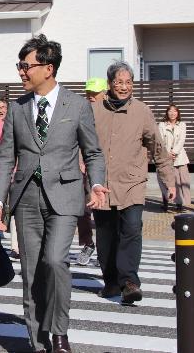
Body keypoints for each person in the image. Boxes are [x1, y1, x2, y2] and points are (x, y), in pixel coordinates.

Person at [0, 35, 106, 353]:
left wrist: (96, 184)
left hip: (65, 196)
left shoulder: (77, 105)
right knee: (32, 274)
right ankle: (38, 342)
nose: (21, 72)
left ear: (48, 68)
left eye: (26, 66)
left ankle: (59, 332)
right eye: (20, 66)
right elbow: (5, 159)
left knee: (55, 261)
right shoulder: (16, 109)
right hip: (26, 198)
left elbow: (93, 152)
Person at [90, 61, 174, 306]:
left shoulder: (142, 111)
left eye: (128, 83)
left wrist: (167, 181)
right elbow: (81, 144)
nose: (124, 87)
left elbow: (158, 147)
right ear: (109, 84)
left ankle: (129, 282)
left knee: (132, 229)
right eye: (119, 82)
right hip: (102, 184)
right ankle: (111, 281)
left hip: (133, 182)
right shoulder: (95, 110)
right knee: (105, 235)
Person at [75, 77, 108, 267]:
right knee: (83, 210)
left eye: (94, 94)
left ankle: (105, 251)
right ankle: (88, 244)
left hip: (107, 171)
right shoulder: (83, 112)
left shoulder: (111, 114)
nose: (91, 97)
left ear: (104, 93)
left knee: (104, 213)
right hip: (84, 168)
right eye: (88, 94)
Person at [159, 105, 191, 212]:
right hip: (166, 156)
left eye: (175, 111)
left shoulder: (182, 125)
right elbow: (160, 141)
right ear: (167, 113)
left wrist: (174, 152)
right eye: (170, 111)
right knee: (166, 180)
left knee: (181, 181)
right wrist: (167, 153)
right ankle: (166, 202)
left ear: (178, 113)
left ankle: (180, 204)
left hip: (179, 157)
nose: (172, 113)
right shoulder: (162, 125)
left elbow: (182, 140)